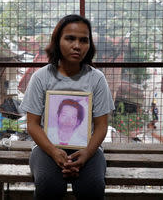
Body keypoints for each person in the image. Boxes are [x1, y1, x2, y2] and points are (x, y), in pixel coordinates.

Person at [20, 14, 115, 200]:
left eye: (83, 40)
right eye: (70, 38)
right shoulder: (41, 77)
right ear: (57, 41)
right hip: (47, 148)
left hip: (88, 149)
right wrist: (54, 152)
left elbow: (102, 126)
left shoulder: (97, 79)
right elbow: (32, 124)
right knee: (49, 185)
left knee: (92, 186)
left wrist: (87, 154)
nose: (77, 46)